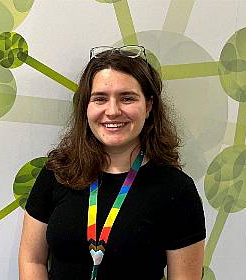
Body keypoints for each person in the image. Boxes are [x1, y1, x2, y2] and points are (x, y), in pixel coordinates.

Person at [18, 45, 206, 280]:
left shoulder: (176, 190)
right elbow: (31, 259)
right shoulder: (58, 172)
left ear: (148, 106)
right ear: (86, 106)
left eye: (127, 98)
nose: (113, 111)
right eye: (100, 99)